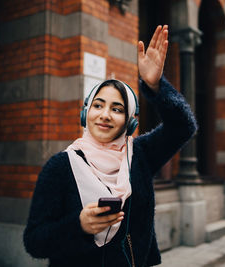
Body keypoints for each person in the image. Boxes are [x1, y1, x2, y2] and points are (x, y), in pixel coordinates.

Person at [23, 25, 197, 267]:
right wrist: (79, 225)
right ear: (86, 114)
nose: (105, 115)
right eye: (98, 105)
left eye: (117, 109)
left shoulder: (140, 154)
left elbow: (183, 127)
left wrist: (156, 86)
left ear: (130, 122)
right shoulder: (60, 166)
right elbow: (34, 241)